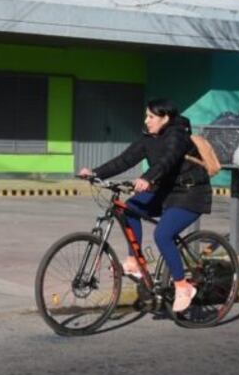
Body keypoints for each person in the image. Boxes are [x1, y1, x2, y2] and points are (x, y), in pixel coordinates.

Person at [78, 98, 212, 312]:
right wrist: (95, 173)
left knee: (162, 235)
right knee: (129, 208)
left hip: (190, 194)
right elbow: (125, 159)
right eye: (146, 115)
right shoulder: (148, 137)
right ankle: (134, 262)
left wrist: (148, 178)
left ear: (165, 118)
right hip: (165, 192)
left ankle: (182, 286)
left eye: (151, 116)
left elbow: (167, 159)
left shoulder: (178, 136)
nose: (146, 120)